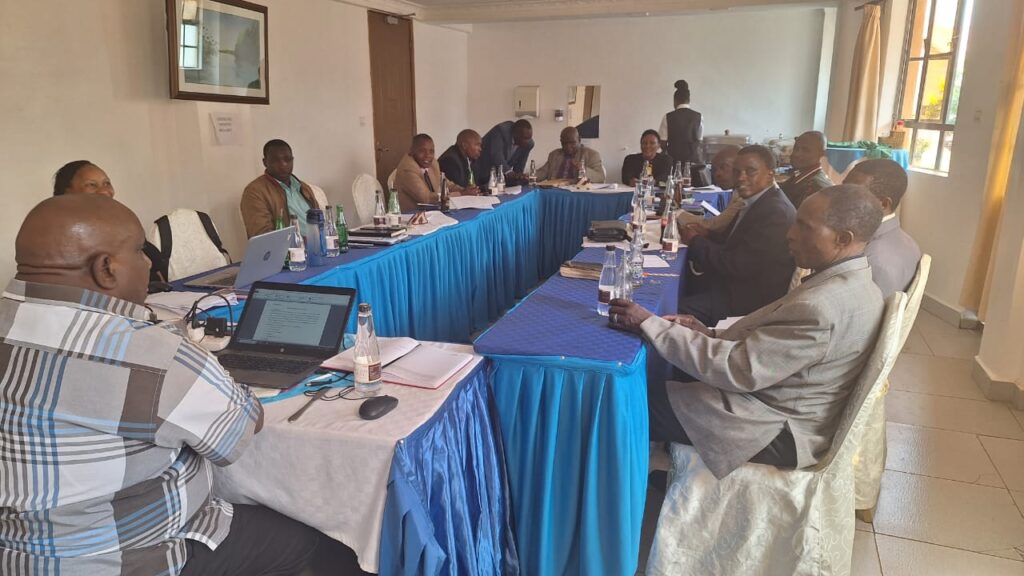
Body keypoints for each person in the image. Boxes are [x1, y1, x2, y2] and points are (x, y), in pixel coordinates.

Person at [0, 194, 359, 575]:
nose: (148, 264)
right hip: (134, 559)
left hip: (18, 558)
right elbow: (241, 427)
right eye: (140, 251)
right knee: (324, 545)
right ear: (106, 269)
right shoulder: (149, 353)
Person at [608, 185, 884, 479]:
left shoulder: (821, 307)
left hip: (771, 425)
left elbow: (737, 369)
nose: (790, 234)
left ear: (843, 239)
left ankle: (615, 493)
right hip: (778, 399)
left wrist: (649, 323)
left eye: (804, 227)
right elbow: (772, 346)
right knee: (660, 379)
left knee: (622, 402)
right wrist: (709, 334)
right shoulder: (858, 284)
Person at [676, 145, 796, 325]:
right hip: (733, 284)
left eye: (750, 171)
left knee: (671, 307)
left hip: (748, 300)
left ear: (770, 174)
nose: (741, 177)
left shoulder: (776, 212)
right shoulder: (757, 200)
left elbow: (737, 264)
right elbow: (733, 241)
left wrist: (695, 240)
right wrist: (706, 234)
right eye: (737, 171)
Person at [52, 160, 169, 283]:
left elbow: (154, 266)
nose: (104, 191)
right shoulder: (63, 236)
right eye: (91, 185)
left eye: (107, 183)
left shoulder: (122, 224)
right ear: (66, 193)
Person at [845, 158, 922, 296]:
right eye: (842, 188)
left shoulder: (870, 262)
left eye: (853, 193)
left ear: (883, 204)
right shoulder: (909, 242)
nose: (840, 197)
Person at [240, 139, 324, 238]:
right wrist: (303, 241)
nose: (283, 165)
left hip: (320, 243)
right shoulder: (254, 192)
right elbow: (263, 236)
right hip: (292, 247)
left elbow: (320, 221)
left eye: (287, 159)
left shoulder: (303, 187)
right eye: (275, 160)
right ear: (265, 162)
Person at [395, 133, 456, 211]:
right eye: (422, 151)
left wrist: (463, 190)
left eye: (431, 151)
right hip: (412, 215)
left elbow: (444, 182)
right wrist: (459, 194)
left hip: (431, 211)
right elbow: (426, 198)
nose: (428, 155)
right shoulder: (407, 169)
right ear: (411, 151)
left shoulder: (432, 163)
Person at [535, 126, 606, 183]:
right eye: (564, 143)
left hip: (577, 193)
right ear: (561, 142)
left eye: (572, 143)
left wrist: (582, 169)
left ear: (579, 140)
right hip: (554, 192)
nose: (568, 146)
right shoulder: (554, 155)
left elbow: (600, 177)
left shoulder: (591, 155)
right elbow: (543, 172)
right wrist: (531, 176)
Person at [781, 130, 833, 208]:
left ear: (822, 153)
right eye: (796, 148)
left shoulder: (814, 187)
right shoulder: (800, 176)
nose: (797, 154)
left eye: (805, 150)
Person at [658, 79, 703, 165]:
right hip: (693, 161)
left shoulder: (668, 117)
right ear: (689, 100)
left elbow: (662, 143)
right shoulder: (699, 116)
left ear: (675, 100)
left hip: (673, 161)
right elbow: (699, 141)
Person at [480, 119, 534, 185]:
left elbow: (519, 167)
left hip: (497, 177)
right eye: (525, 138)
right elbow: (496, 156)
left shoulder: (528, 145)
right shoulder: (501, 131)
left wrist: (520, 177)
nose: (527, 141)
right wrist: (509, 172)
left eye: (529, 138)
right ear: (516, 134)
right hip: (481, 169)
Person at [438, 129, 484, 195]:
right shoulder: (450, 161)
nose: (480, 149)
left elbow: (475, 184)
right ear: (464, 145)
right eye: (477, 145)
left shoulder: (467, 158)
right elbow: (461, 188)